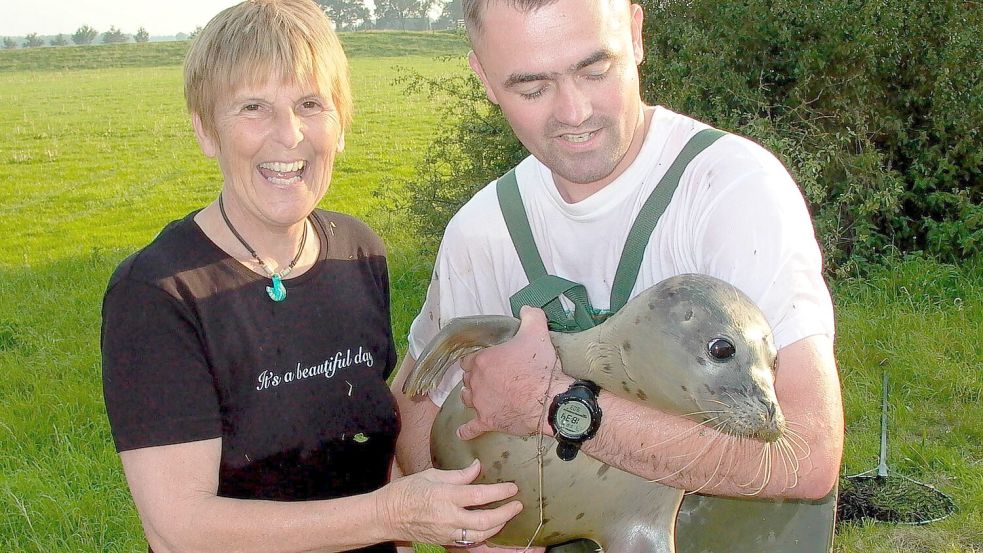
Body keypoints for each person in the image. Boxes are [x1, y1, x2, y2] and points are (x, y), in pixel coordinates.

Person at [390, 0, 845, 551]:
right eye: (531, 89)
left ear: (635, 31)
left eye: (595, 70)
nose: (575, 111)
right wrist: (472, 530)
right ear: (484, 77)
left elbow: (809, 456)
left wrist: (557, 406)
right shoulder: (482, 231)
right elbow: (418, 405)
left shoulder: (729, 189)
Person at [100, 2, 526, 552]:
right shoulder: (159, 293)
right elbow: (181, 527)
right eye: (253, 107)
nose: (290, 134)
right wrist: (391, 516)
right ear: (207, 131)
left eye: (310, 104)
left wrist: (451, 526)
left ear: (341, 123)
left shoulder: (357, 253)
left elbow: (374, 448)